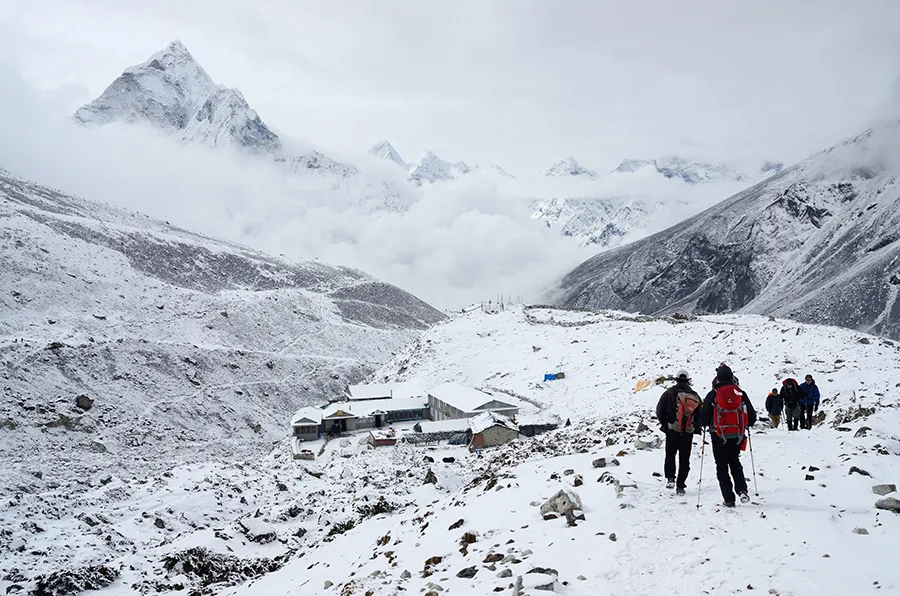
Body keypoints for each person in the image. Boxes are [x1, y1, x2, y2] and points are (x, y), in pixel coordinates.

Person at [698, 364, 757, 507]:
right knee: (735, 462)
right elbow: (752, 417)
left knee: (722, 466)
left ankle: (729, 499)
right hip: (737, 435)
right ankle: (742, 490)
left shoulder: (713, 394)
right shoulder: (740, 393)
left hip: (718, 436)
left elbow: (703, 419)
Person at [655, 370, 701, 496]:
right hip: (688, 432)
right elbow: (700, 415)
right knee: (684, 458)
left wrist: (665, 424)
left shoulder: (669, 393)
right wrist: (695, 427)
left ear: (676, 379)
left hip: (672, 430)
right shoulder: (694, 395)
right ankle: (681, 486)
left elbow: (659, 410)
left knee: (670, 455)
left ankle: (670, 478)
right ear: (688, 380)